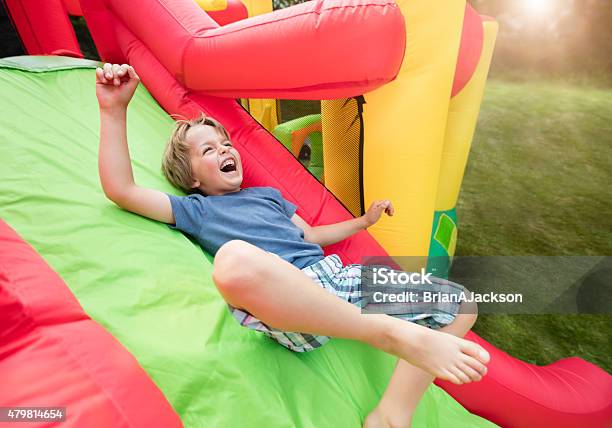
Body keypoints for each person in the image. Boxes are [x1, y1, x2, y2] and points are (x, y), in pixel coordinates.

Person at [96, 63, 490, 428]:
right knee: (232, 260)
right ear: (191, 177)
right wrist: (114, 111)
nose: (225, 151)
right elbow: (122, 190)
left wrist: (365, 221)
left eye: (225, 143)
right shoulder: (196, 209)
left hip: (336, 280)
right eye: (208, 150)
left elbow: (312, 236)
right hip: (290, 301)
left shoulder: (267, 195)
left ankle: (391, 415)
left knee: (462, 304)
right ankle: (390, 333)